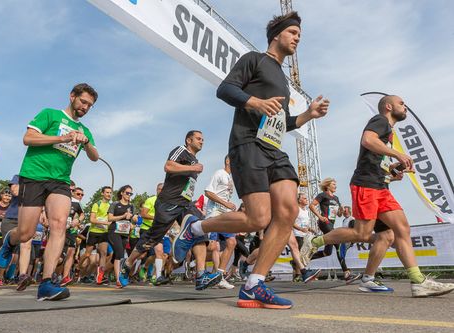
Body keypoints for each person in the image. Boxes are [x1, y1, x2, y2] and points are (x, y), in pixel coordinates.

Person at [172, 12, 330, 309]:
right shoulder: (254, 59)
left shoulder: (282, 79)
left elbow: (281, 121)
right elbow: (225, 89)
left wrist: (308, 115)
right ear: (277, 35)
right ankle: (195, 228)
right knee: (258, 218)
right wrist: (254, 101)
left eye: (299, 34)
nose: (297, 38)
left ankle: (254, 284)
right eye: (293, 32)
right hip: (247, 144)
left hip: (274, 149)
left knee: (288, 211)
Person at [301, 95, 454, 297]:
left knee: (393, 232)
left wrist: (392, 171)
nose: (405, 106)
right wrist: (398, 155)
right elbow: (368, 140)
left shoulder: (388, 132)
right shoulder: (380, 121)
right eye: (401, 103)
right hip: (366, 184)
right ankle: (315, 242)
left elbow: (378, 159)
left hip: (381, 186)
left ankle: (408, 281)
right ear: (389, 106)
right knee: (362, 234)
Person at [0, 83, 99, 301]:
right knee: (25, 232)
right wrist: (63, 137)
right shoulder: (50, 114)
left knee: (59, 224)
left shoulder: (85, 130)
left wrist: (86, 142)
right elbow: (28, 138)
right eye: (83, 101)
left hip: (60, 181)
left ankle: (46, 283)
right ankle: (10, 241)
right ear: (72, 97)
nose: (85, 107)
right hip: (34, 175)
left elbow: (94, 156)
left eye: (89, 105)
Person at [120, 131, 221, 291]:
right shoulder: (181, 150)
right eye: (198, 139)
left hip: (185, 204)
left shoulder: (194, 159)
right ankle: (127, 263)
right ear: (189, 140)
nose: (202, 141)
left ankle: (201, 276)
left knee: (198, 230)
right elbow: (168, 166)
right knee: (152, 238)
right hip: (169, 202)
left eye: (203, 139)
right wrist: (193, 167)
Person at [308, 178, 360, 283]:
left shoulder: (336, 198)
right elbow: (311, 205)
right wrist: (320, 216)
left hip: (331, 224)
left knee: (327, 252)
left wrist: (341, 211)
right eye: (333, 184)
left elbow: (339, 215)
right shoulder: (322, 195)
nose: (335, 186)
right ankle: (347, 273)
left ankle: (300, 260)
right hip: (324, 222)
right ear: (327, 186)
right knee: (339, 243)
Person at [204, 155, 236, 290]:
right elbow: (208, 192)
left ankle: (219, 276)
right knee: (212, 247)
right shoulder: (219, 173)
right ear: (228, 161)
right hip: (215, 213)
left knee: (232, 242)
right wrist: (225, 204)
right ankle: (194, 263)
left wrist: (230, 207)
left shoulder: (231, 178)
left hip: (226, 215)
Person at [81, 186, 112, 285]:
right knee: (87, 254)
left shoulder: (111, 206)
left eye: (110, 193)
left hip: (104, 233)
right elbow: (92, 220)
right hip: (94, 232)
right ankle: (78, 268)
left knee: (103, 254)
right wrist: (105, 223)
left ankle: (100, 276)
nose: (109, 194)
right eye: (107, 192)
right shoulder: (97, 204)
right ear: (102, 193)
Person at [107, 185, 136, 288]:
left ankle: (103, 271)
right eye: (127, 193)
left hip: (125, 233)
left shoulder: (132, 206)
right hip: (114, 231)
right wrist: (123, 216)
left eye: (130, 193)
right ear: (122, 193)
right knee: (119, 253)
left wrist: (135, 221)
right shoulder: (115, 204)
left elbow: (133, 220)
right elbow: (110, 218)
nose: (129, 195)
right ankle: (118, 280)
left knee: (116, 256)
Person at [60, 186, 85, 287]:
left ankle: (65, 277)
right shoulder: (59, 198)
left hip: (71, 231)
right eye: (78, 194)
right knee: (59, 256)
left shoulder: (76, 203)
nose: (80, 196)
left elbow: (82, 214)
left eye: (82, 194)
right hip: (58, 230)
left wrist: (78, 220)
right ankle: (52, 275)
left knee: (71, 252)